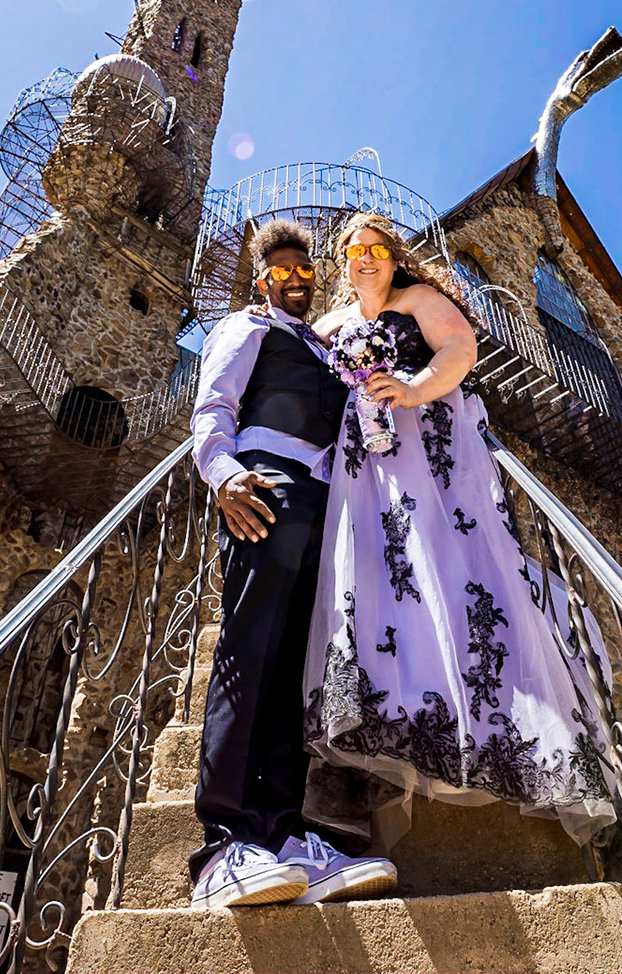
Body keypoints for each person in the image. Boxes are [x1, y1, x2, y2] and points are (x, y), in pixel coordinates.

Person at [303, 212, 616, 846]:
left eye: (377, 249)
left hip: (425, 452)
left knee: (436, 569)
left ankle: (466, 722)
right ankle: (378, 718)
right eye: (354, 250)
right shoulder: (330, 326)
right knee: (369, 575)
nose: (366, 258)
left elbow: (459, 351)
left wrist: (411, 388)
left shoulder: (418, 300)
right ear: (342, 260)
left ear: (394, 258)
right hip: (361, 466)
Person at [187, 219, 401, 908]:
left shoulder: (326, 346)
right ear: (261, 280)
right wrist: (224, 476)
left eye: (306, 271)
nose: (297, 280)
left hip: (326, 506)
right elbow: (212, 409)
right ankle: (224, 844)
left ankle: (280, 837)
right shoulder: (247, 328)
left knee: (292, 674)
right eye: (282, 271)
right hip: (267, 487)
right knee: (249, 658)